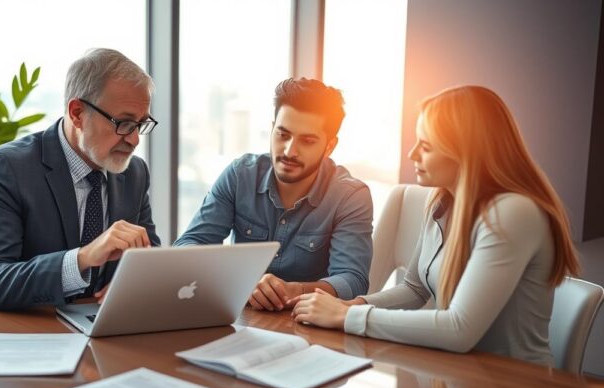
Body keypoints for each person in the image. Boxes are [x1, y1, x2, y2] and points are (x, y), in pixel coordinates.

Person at [292, 85, 580, 365]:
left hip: (516, 385)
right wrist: (353, 305)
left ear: (465, 151)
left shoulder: (513, 213)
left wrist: (346, 317)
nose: (412, 154)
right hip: (461, 373)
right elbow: (415, 289)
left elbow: (459, 330)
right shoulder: (441, 202)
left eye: (426, 146)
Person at [0, 48, 160, 315]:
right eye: (124, 123)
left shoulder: (134, 174)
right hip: (8, 332)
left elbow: (147, 258)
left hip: (92, 328)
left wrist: (134, 284)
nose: (134, 139)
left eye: (141, 124)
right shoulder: (7, 168)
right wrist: (82, 258)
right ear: (77, 113)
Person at [174, 78, 373, 311]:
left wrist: (295, 290)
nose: (290, 151)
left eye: (307, 141)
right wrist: (242, 281)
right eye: (283, 135)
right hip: (240, 317)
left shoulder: (350, 196)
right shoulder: (240, 175)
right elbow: (188, 246)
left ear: (329, 146)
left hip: (307, 323)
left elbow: (352, 280)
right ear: (272, 129)